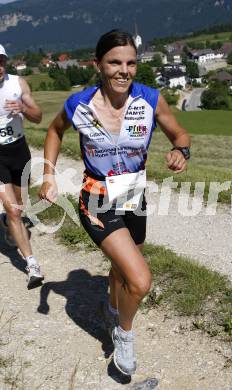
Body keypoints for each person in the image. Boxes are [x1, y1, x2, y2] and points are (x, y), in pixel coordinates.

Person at [39, 30, 190, 376]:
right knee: (139, 279)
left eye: (131, 63)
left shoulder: (150, 100)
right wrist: (48, 174)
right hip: (96, 199)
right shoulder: (79, 105)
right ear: (97, 65)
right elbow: (53, 131)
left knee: (123, 266)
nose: (124, 70)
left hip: (134, 196)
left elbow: (180, 134)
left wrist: (181, 151)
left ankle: (111, 306)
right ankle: (123, 333)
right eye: (114, 63)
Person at [0, 44, 44, 289]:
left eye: (1, 60)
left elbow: (38, 116)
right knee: (15, 211)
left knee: (19, 204)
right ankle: (32, 264)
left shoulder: (18, 84)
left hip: (18, 150)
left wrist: (24, 109)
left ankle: (8, 224)